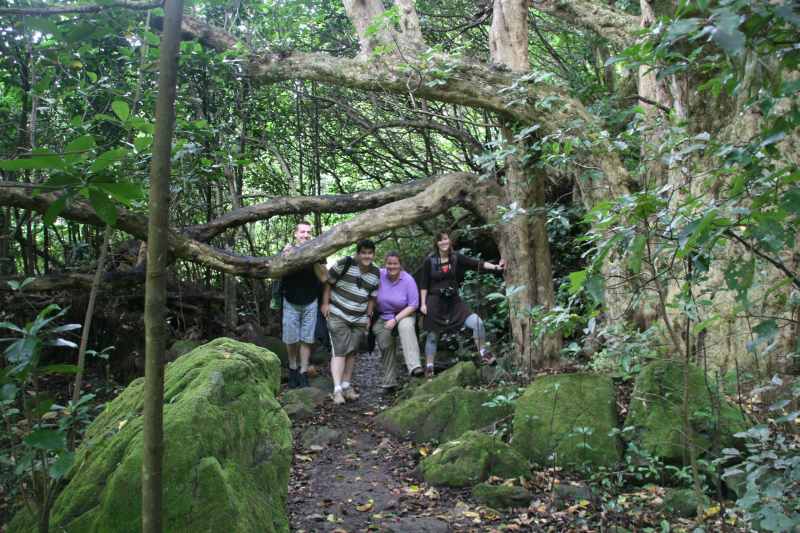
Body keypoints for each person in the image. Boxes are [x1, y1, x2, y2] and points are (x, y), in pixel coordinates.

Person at [419, 231, 505, 377]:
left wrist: (496, 267)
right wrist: (423, 304)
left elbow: (476, 264)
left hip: (454, 302)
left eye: (445, 239)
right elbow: (423, 284)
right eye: (440, 240)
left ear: (449, 241)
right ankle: (429, 367)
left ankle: (483, 352)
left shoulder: (456, 257)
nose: (443, 242)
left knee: (477, 323)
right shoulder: (430, 261)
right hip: (434, 302)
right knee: (433, 336)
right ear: (436, 244)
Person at [321, 239, 380, 404]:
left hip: (359, 318)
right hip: (338, 314)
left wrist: (369, 317)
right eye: (363, 253)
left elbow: (372, 298)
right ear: (358, 253)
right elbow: (328, 283)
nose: (367, 256)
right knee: (340, 350)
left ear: (373, 254)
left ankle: (346, 386)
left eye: (370, 253)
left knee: (352, 351)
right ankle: (337, 390)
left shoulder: (376, 273)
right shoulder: (345, 263)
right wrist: (325, 303)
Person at [279, 221, 328, 388]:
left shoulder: (318, 252)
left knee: (307, 339)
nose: (305, 235)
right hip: (290, 300)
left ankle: (303, 371)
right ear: (295, 234)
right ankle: (293, 369)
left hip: (310, 301)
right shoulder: (287, 250)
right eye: (302, 232)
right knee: (291, 338)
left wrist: (312, 257)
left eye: (308, 232)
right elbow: (278, 272)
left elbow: (323, 277)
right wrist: (287, 256)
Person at [373, 251, 423, 392]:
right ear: (385, 263)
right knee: (385, 342)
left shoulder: (408, 280)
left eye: (395, 263)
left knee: (406, 327)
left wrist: (395, 319)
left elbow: (413, 305)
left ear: (400, 265)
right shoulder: (379, 274)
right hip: (384, 316)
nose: (392, 266)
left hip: (404, 314)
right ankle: (389, 381)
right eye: (389, 263)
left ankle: (414, 367)